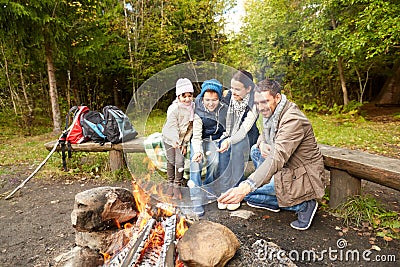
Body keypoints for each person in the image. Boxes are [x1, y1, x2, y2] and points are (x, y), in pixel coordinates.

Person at [217, 79, 326, 230]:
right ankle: (273, 193)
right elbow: (264, 134)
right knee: (255, 151)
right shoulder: (272, 112)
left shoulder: (292, 119)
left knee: (247, 194)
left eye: (265, 102)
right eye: (258, 103)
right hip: (284, 166)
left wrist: (246, 186)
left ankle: (304, 205)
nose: (261, 108)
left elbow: (277, 156)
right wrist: (261, 143)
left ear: (277, 97)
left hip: (300, 174)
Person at [216, 70, 259, 209]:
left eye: (237, 89)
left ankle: (236, 191)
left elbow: (244, 130)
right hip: (229, 133)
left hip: (248, 137)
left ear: (248, 89)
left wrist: (230, 140)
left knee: (238, 146)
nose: (233, 92)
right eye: (232, 88)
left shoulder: (254, 103)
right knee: (223, 146)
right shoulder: (228, 97)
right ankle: (224, 190)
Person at [189, 79, 228, 216]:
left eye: (214, 100)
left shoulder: (225, 108)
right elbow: (196, 136)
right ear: (202, 98)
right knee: (196, 163)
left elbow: (227, 129)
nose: (210, 103)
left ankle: (208, 188)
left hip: (217, 140)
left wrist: (224, 139)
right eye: (207, 100)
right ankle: (196, 198)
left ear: (219, 98)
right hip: (200, 140)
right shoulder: (197, 109)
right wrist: (198, 151)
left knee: (215, 161)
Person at [162, 78, 194, 199]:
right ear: (178, 96)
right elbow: (172, 126)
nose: (187, 99)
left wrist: (184, 143)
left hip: (181, 140)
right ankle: (170, 184)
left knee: (179, 161)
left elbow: (190, 127)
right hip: (170, 138)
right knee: (171, 160)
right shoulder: (173, 109)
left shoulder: (192, 108)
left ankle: (177, 185)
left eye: (189, 96)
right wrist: (175, 140)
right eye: (183, 96)